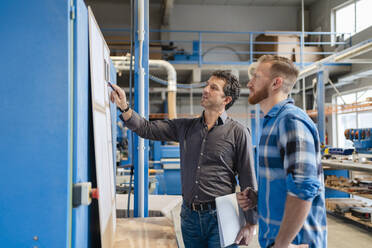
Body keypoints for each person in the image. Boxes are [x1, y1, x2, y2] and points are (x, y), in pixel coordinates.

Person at [110, 71, 258, 248]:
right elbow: (147, 128)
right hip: (190, 217)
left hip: (222, 216)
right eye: (206, 85)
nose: (205, 90)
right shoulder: (185, 127)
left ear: (226, 100)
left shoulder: (238, 133)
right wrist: (125, 107)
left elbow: (248, 178)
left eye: (213, 88)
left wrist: (251, 222)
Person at [237, 55, 327, 248]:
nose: (249, 83)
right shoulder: (271, 123)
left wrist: (281, 244)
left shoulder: (291, 121)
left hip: (295, 243)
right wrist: (258, 198)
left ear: (276, 83)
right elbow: (285, 183)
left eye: (257, 77)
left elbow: (303, 188)